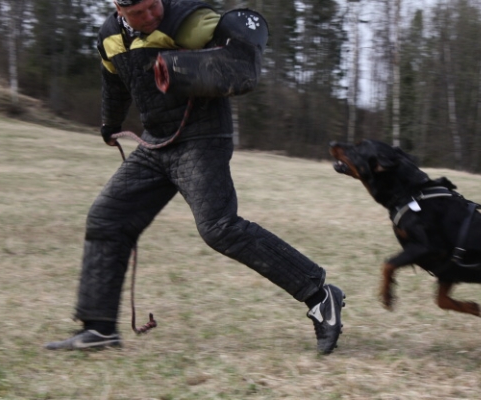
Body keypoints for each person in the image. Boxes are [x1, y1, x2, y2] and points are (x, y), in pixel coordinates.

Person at [44, 0, 345, 355]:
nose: (152, 16)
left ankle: (320, 294)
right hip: (156, 142)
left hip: (202, 137)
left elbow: (239, 63)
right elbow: (114, 81)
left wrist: (192, 59)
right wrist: (110, 123)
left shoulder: (191, 21)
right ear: (118, 10)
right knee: (108, 217)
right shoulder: (110, 38)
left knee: (219, 227)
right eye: (139, 13)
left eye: (154, 6)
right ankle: (98, 328)